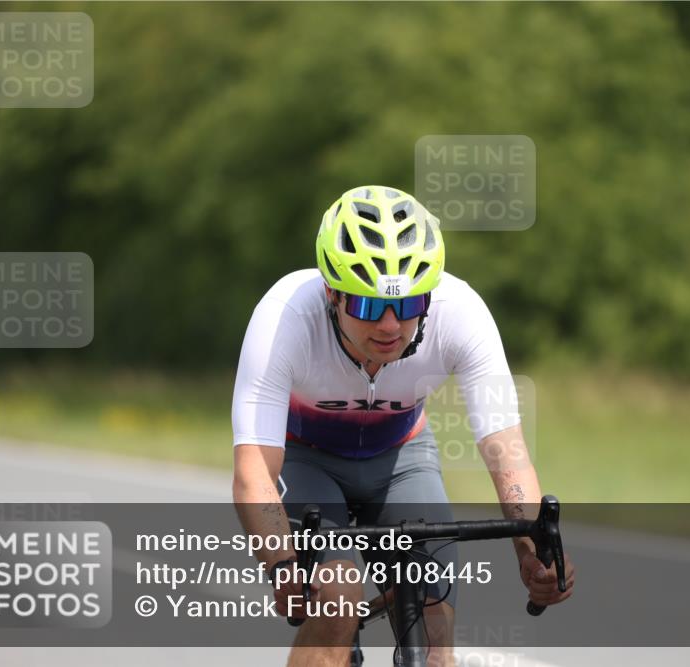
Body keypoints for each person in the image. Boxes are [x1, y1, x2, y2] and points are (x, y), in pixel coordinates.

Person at [231, 186, 574, 666]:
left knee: (435, 632)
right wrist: (282, 565)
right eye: (370, 306)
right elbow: (253, 473)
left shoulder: (462, 312)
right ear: (332, 293)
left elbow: (507, 451)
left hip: (400, 458)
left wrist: (531, 548)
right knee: (337, 597)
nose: (391, 325)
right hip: (304, 459)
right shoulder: (285, 316)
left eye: (410, 304)